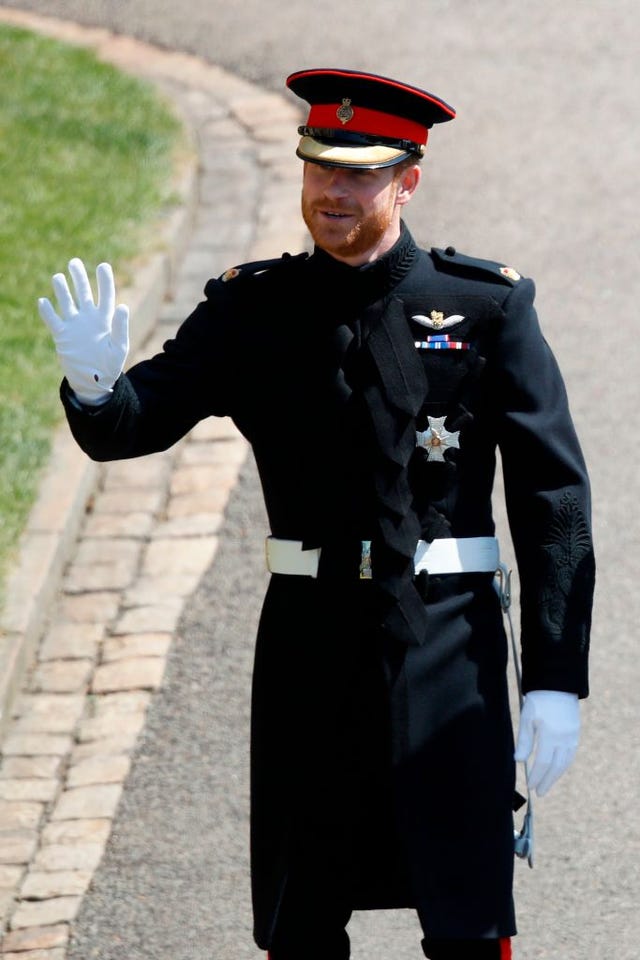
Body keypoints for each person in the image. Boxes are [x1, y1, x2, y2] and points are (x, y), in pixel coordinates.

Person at [38, 68, 595, 960]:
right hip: (309, 642)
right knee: (302, 915)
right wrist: (96, 387)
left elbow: (553, 498)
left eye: (358, 173)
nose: (332, 191)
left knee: (466, 917)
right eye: (319, 168)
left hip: (448, 644)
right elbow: (134, 425)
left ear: (407, 179)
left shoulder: (488, 308)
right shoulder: (253, 309)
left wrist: (558, 675)